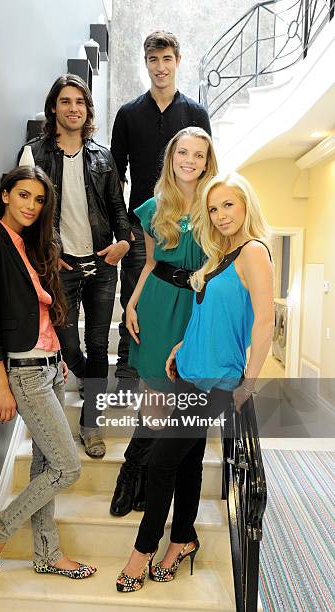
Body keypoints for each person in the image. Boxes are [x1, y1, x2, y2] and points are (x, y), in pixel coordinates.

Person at [115, 172, 274, 592]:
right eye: (213, 208)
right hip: (188, 368)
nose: (220, 215)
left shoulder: (254, 252)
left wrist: (249, 383)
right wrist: (180, 347)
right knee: (186, 463)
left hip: (216, 381)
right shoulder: (222, 252)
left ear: (246, 206)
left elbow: (263, 322)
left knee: (161, 461)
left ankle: (143, 549)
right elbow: (213, 315)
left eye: (228, 205)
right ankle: (183, 539)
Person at [0, 165, 96, 579]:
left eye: (39, 199)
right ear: (5, 195)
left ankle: (47, 553)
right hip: (23, 371)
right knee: (68, 466)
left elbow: (43, 311)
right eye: (23, 195)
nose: (31, 205)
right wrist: (0, 386)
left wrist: (58, 354)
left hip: (51, 364)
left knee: (46, 465)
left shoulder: (31, 246)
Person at [110, 30, 211, 508]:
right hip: (152, 248)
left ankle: (153, 473)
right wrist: (130, 297)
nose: (161, 66)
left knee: (184, 397)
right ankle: (134, 470)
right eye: (153, 59)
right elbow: (149, 260)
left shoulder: (215, 203)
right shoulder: (129, 115)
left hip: (193, 298)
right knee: (154, 391)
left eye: (168, 58)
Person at [19, 74, 131, 458]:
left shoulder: (103, 156)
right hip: (59, 268)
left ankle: (91, 424)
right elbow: (26, 214)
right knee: (69, 350)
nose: (73, 109)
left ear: (88, 110)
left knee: (99, 345)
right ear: (54, 108)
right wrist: (48, 252)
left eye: (80, 102)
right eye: (65, 102)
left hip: (101, 265)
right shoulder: (35, 154)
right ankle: (91, 380)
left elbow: (118, 207)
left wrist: (123, 243)